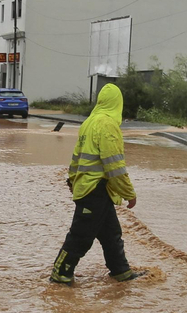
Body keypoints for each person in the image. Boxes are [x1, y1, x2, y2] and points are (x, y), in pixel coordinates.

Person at [50, 82, 146, 284]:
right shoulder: (107, 125)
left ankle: (121, 271)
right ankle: (60, 274)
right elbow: (115, 166)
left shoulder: (89, 123)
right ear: (117, 103)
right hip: (96, 189)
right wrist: (129, 193)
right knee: (81, 235)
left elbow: (76, 158)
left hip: (89, 188)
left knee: (111, 234)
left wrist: (73, 182)